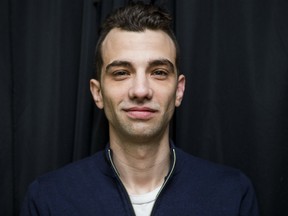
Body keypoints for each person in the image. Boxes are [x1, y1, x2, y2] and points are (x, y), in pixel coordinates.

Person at [21, 1, 259, 215]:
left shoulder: (232, 194)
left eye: (158, 72)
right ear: (97, 93)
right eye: (121, 73)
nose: (141, 90)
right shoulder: (49, 199)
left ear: (179, 90)